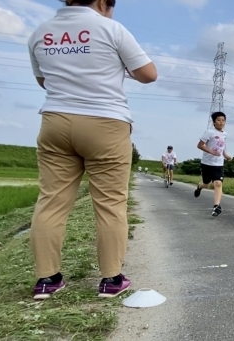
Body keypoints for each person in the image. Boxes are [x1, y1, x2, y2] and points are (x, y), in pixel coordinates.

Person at [27, 0, 157, 300]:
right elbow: (149, 74)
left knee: (51, 202)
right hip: (106, 122)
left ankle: (47, 280)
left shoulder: (40, 32)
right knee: (110, 203)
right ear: (101, 2)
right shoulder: (110, 29)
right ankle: (111, 280)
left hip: (55, 120)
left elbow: (43, 80)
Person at [193, 112, 232, 217]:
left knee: (218, 183)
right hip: (206, 162)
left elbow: (222, 148)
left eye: (223, 120)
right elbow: (200, 145)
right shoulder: (209, 132)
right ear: (214, 122)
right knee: (206, 183)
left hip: (218, 163)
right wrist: (211, 152)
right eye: (219, 120)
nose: (221, 122)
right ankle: (199, 187)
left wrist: (226, 155)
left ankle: (216, 206)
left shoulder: (225, 134)